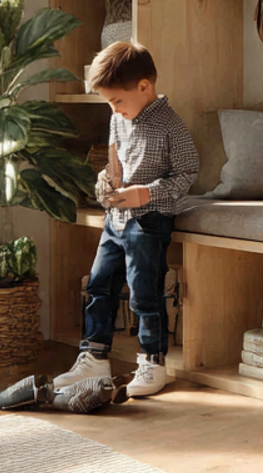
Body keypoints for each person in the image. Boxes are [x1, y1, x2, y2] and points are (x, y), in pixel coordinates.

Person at [52, 40, 199, 398]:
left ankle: (152, 361)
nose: (114, 109)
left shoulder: (171, 126)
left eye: (117, 100)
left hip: (148, 222)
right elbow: (112, 165)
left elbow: (187, 174)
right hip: (115, 220)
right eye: (109, 103)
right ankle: (94, 357)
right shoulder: (119, 119)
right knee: (99, 286)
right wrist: (106, 183)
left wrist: (145, 193)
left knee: (144, 292)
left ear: (144, 87)